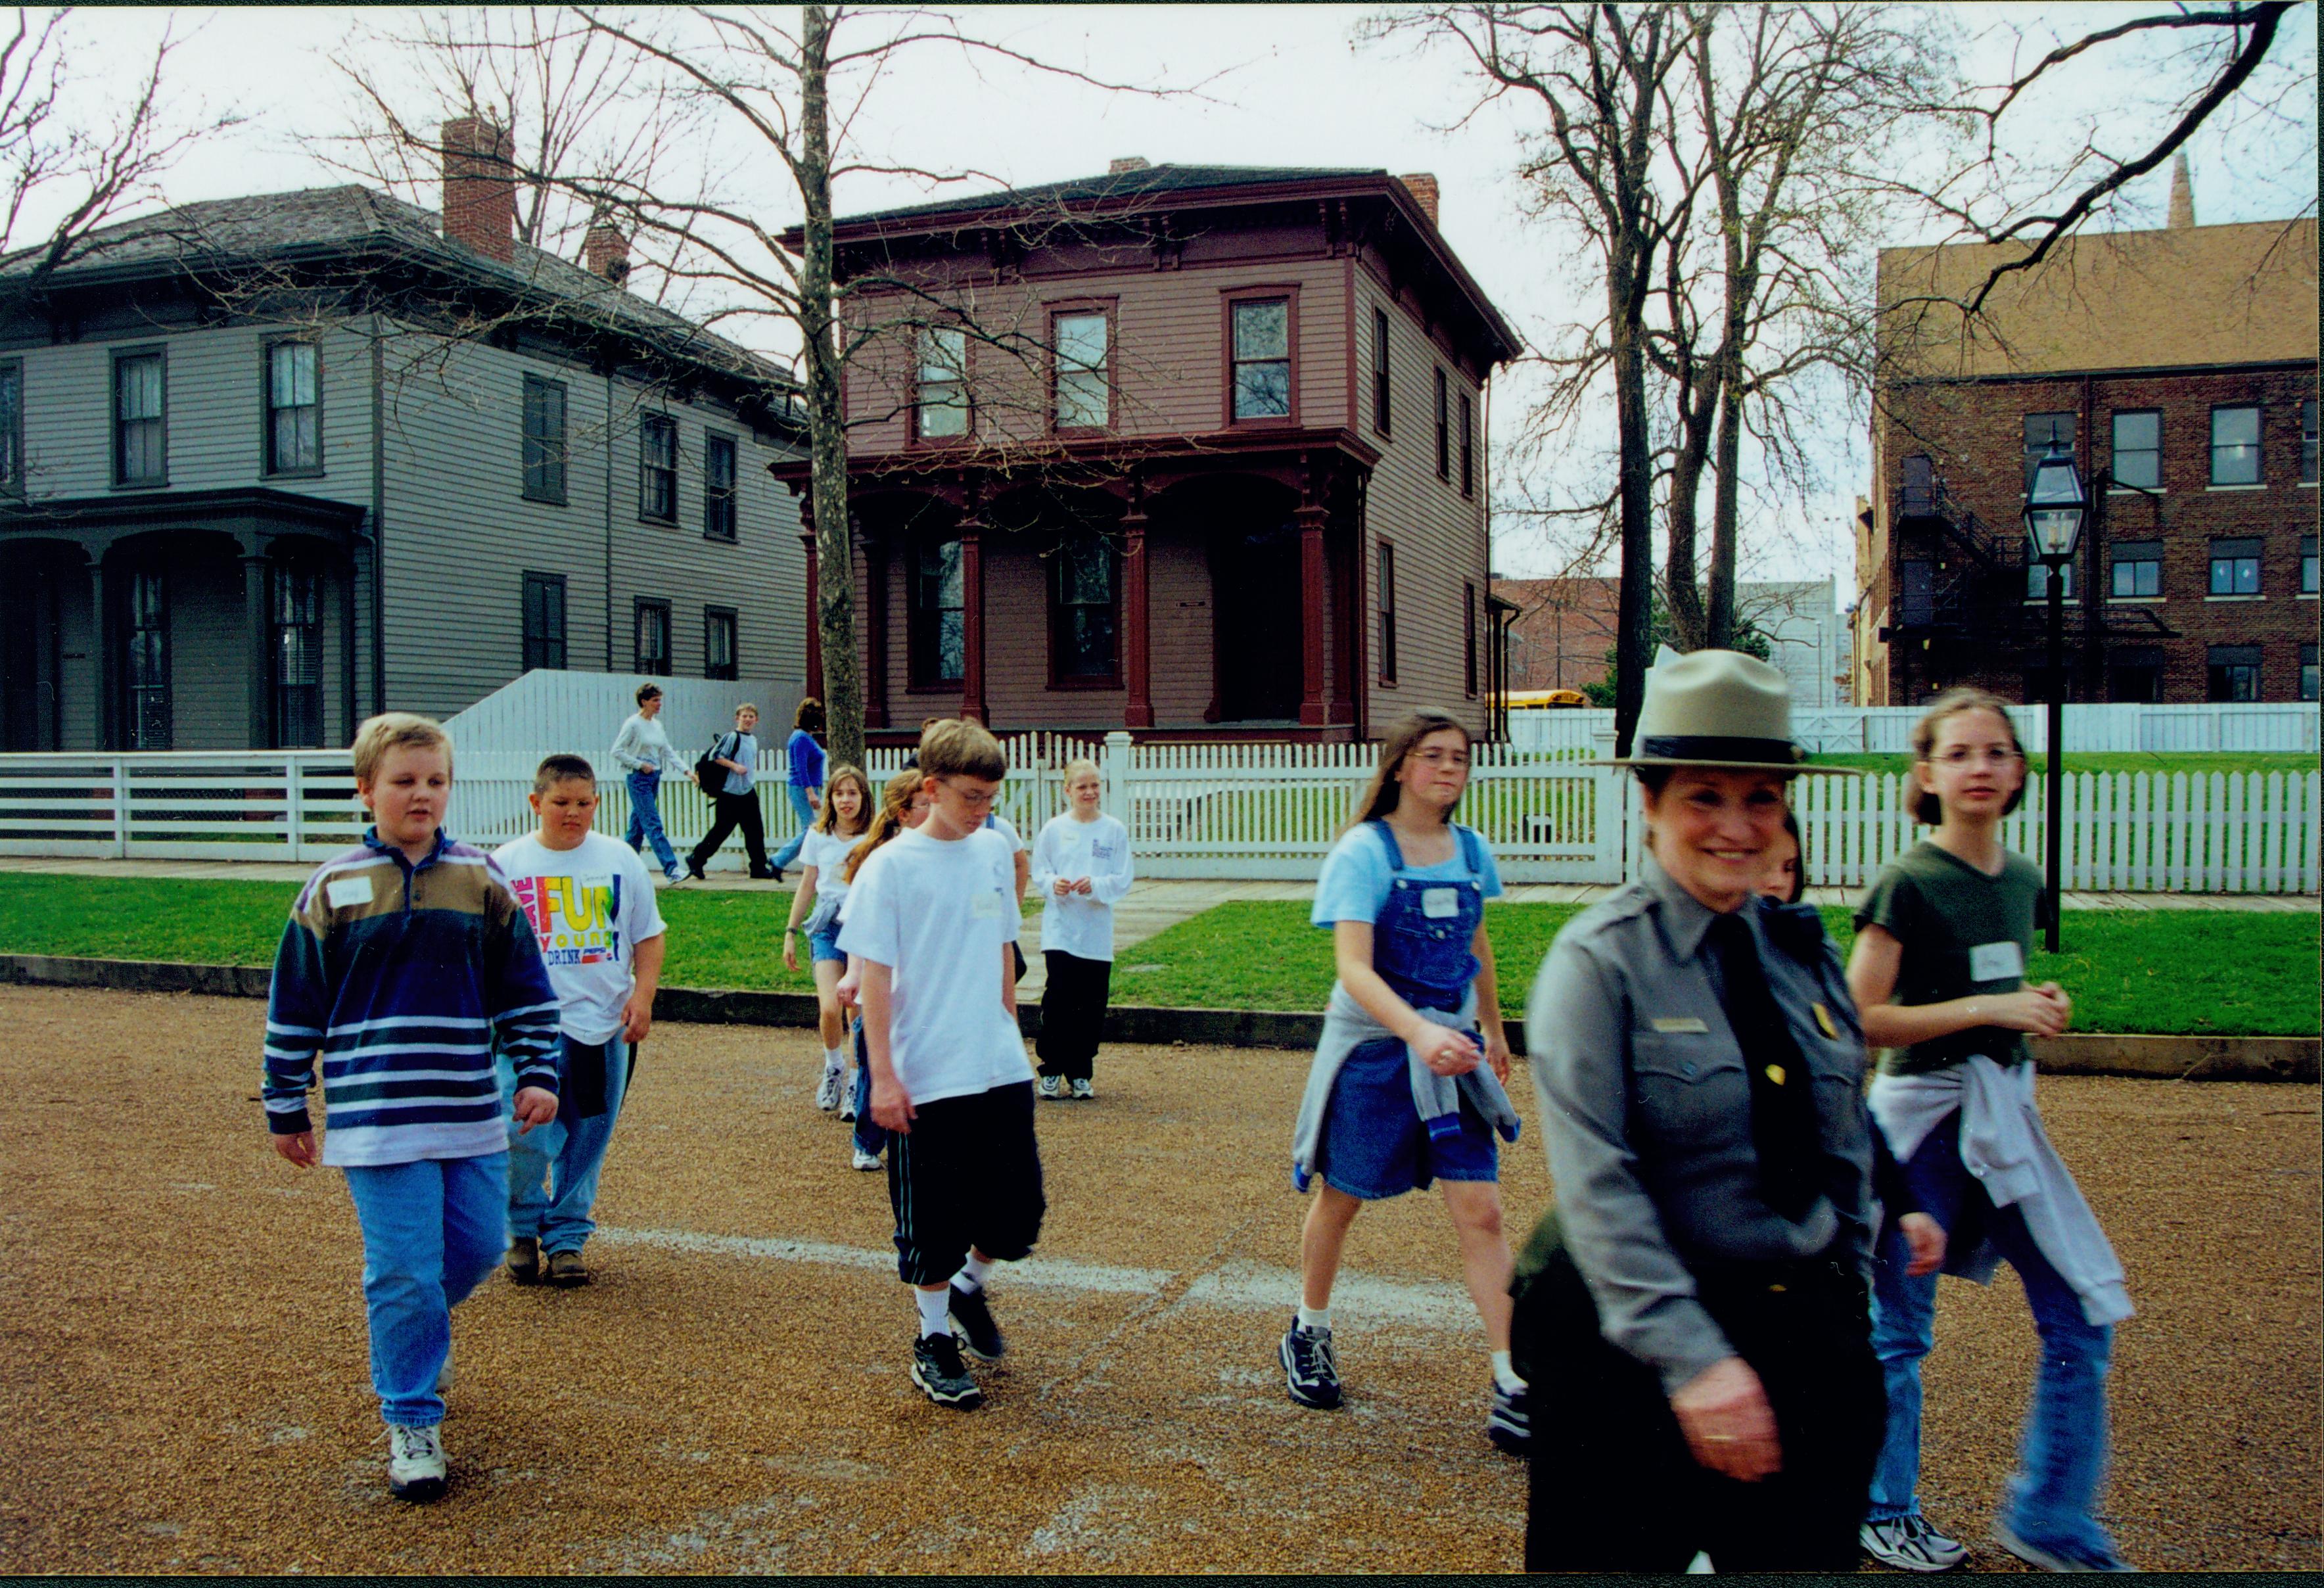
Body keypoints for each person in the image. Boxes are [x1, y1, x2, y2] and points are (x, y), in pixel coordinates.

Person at [1518, 650, 1882, 1572]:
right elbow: (1599, 1185)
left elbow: (1845, 1143)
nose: (1735, 825)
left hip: (1803, 1343)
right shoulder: (1600, 963)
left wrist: (1850, 1299)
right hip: (1633, 1355)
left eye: (1760, 798)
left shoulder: (1802, 952)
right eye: (1703, 796)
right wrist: (1697, 1365)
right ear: (1649, 805)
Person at [1849, 688, 2135, 1575]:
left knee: (2083, 1309)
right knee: (1898, 1327)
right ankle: (1882, 1507)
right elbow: (1858, 1016)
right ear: (1927, 774)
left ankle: (2050, 1516)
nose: (1980, 767)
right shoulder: (1907, 881)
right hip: (1923, 1122)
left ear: (2017, 773)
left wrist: (2037, 1006)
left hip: (2002, 1113)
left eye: (1996, 753)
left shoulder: (2018, 877)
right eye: (1960, 753)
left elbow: (2001, 989)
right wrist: (1987, 1007)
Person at [261, 712, 561, 1503]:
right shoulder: (332, 888)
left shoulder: (483, 880)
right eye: (404, 781)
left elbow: (526, 990)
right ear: (367, 789)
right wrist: (286, 1102)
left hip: (469, 1109)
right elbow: (295, 1005)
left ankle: (421, 1329)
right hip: (375, 1118)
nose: (422, 794)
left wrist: (538, 1070)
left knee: (474, 1253)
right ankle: (411, 1418)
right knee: (402, 1271)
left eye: (435, 780)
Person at [1284, 711, 1527, 1453]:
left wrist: (1491, 1024)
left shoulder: (1471, 850)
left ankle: (1515, 1380)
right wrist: (1416, 1031)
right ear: (1397, 767)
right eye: (1432, 756)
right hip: (1375, 1052)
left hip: (1452, 1052)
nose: (1449, 769)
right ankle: (1308, 1328)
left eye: (1459, 758)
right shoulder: (1362, 852)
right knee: (1342, 1194)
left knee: (1480, 1210)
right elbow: (1352, 970)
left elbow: (1475, 937)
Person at [839, 718, 1044, 1412]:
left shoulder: (991, 851)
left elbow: (1001, 952)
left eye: (990, 797)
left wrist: (1012, 1038)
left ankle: (968, 1288)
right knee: (933, 1220)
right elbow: (872, 976)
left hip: (995, 1061)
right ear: (930, 787)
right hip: (927, 1071)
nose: (982, 810)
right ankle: (932, 1339)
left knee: (1018, 1214)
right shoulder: (890, 867)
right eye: (969, 797)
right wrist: (885, 1075)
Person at [494, 754, 667, 1290]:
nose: (573, 814)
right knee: (520, 1131)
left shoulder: (619, 859)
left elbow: (647, 934)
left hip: (601, 1026)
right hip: (529, 1030)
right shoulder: (506, 865)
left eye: (584, 803)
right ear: (536, 803)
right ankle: (521, 1227)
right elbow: (484, 948)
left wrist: (643, 996)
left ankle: (567, 1237)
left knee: (589, 1136)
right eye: (561, 804)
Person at [834, 770, 937, 1170]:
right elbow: (863, 930)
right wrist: (853, 974)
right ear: (903, 812)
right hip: (879, 988)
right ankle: (866, 1139)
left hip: (917, 989)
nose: (932, 809)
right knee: (873, 1064)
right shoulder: (879, 860)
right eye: (924, 803)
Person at [1030, 759, 1134, 1100]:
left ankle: (1080, 1072)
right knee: (1059, 999)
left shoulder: (1113, 830)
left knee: (1090, 1005)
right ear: (1068, 791)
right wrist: (1052, 884)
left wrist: (1097, 885)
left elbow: (1122, 878)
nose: (1089, 792)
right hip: (1060, 931)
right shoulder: (1054, 829)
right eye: (1082, 787)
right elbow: (1040, 870)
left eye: (1095, 786)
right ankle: (1051, 1069)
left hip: (1096, 933)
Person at [781, 762, 873, 1115]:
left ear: (863, 797)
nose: (845, 800)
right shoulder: (818, 835)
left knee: (856, 1010)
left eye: (852, 793)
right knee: (830, 1006)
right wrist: (791, 932)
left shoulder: (874, 836)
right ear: (830, 799)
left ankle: (855, 1081)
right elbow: (807, 884)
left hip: (862, 927)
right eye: (839, 793)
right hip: (826, 925)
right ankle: (833, 1065)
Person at [609, 682, 693, 884]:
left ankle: (623, 870)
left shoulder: (657, 725)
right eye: (655, 700)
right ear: (644, 701)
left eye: (660, 700)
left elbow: (667, 750)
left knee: (637, 828)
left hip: (654, 777)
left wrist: (687, 770)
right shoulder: (633, 724)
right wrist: (639, 765)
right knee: (652, 824)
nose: (659, 704)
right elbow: (617, 751)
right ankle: (672, 869)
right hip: (638, 779)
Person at [686, 702, 774, 881]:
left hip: (747, 791)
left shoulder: (753, 740)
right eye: (744, 716)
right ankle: (697, 858)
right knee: (722, 831)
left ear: (756, 720)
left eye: (751, 716)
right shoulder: (732, 737)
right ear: (737, 718)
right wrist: (735, 766)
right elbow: (715, 756)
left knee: (755, 831)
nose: (748, 719)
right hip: (730, 793)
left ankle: (758, 867)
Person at [769, 697, 829, 881]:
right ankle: (778, 860)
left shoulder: (804, 737)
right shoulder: (801, 738)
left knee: (815, 829)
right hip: (803, 789)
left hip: (806, 788)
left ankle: (781, 862)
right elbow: (801, 769)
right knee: (811, 830)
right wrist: (810, 793)